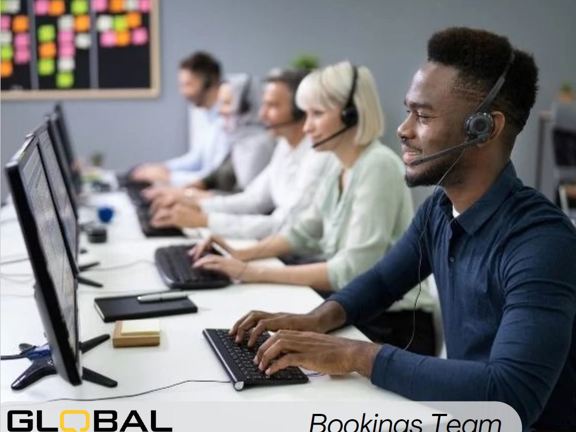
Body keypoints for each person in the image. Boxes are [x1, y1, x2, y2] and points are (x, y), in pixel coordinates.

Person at [227, 28, 576, 432]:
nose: (403, 129)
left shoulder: (541, 244)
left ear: (485, 128)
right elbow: (380, 281)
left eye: (423, 116)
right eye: (409, 111)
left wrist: (356, 356)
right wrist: (316, 320)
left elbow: (510, 396)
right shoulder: (440, 211)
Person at [192, 62, 436, 354]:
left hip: (394, 327)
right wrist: (242, 254)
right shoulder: (337, 164)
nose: (306, 127)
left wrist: (251, 271)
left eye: (316, 114)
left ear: (351, 114)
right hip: (354, 311)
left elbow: (351, 270)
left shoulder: (378, 166)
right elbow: (302, 233)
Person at [149, 69, 333, 240]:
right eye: (264, 105)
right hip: (274, 240)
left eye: (272, 106)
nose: (262, 115)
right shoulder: (284, 146)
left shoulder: (317, 156)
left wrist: (204, 219)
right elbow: (253, 199)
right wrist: (196, 206)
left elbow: (284, 225)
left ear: (300, 111)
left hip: (297, 252)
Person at [141, 74, 276, 202]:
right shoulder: (239, 139)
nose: (220, 110)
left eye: (227, 103)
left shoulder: (258, 145)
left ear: (247, 107)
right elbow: (213, 177)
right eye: (220, 103)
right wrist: (179, 191)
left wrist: (190, 196)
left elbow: (248, 199)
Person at [130, 51, 230, 186]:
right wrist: (163, 168)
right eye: (181, 85)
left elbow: (212, 177)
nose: (183, 92)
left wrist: (169, 176)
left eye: (188, 85)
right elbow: (197, 159)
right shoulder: (208, 117)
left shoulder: (227, 120)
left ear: (209, 82)